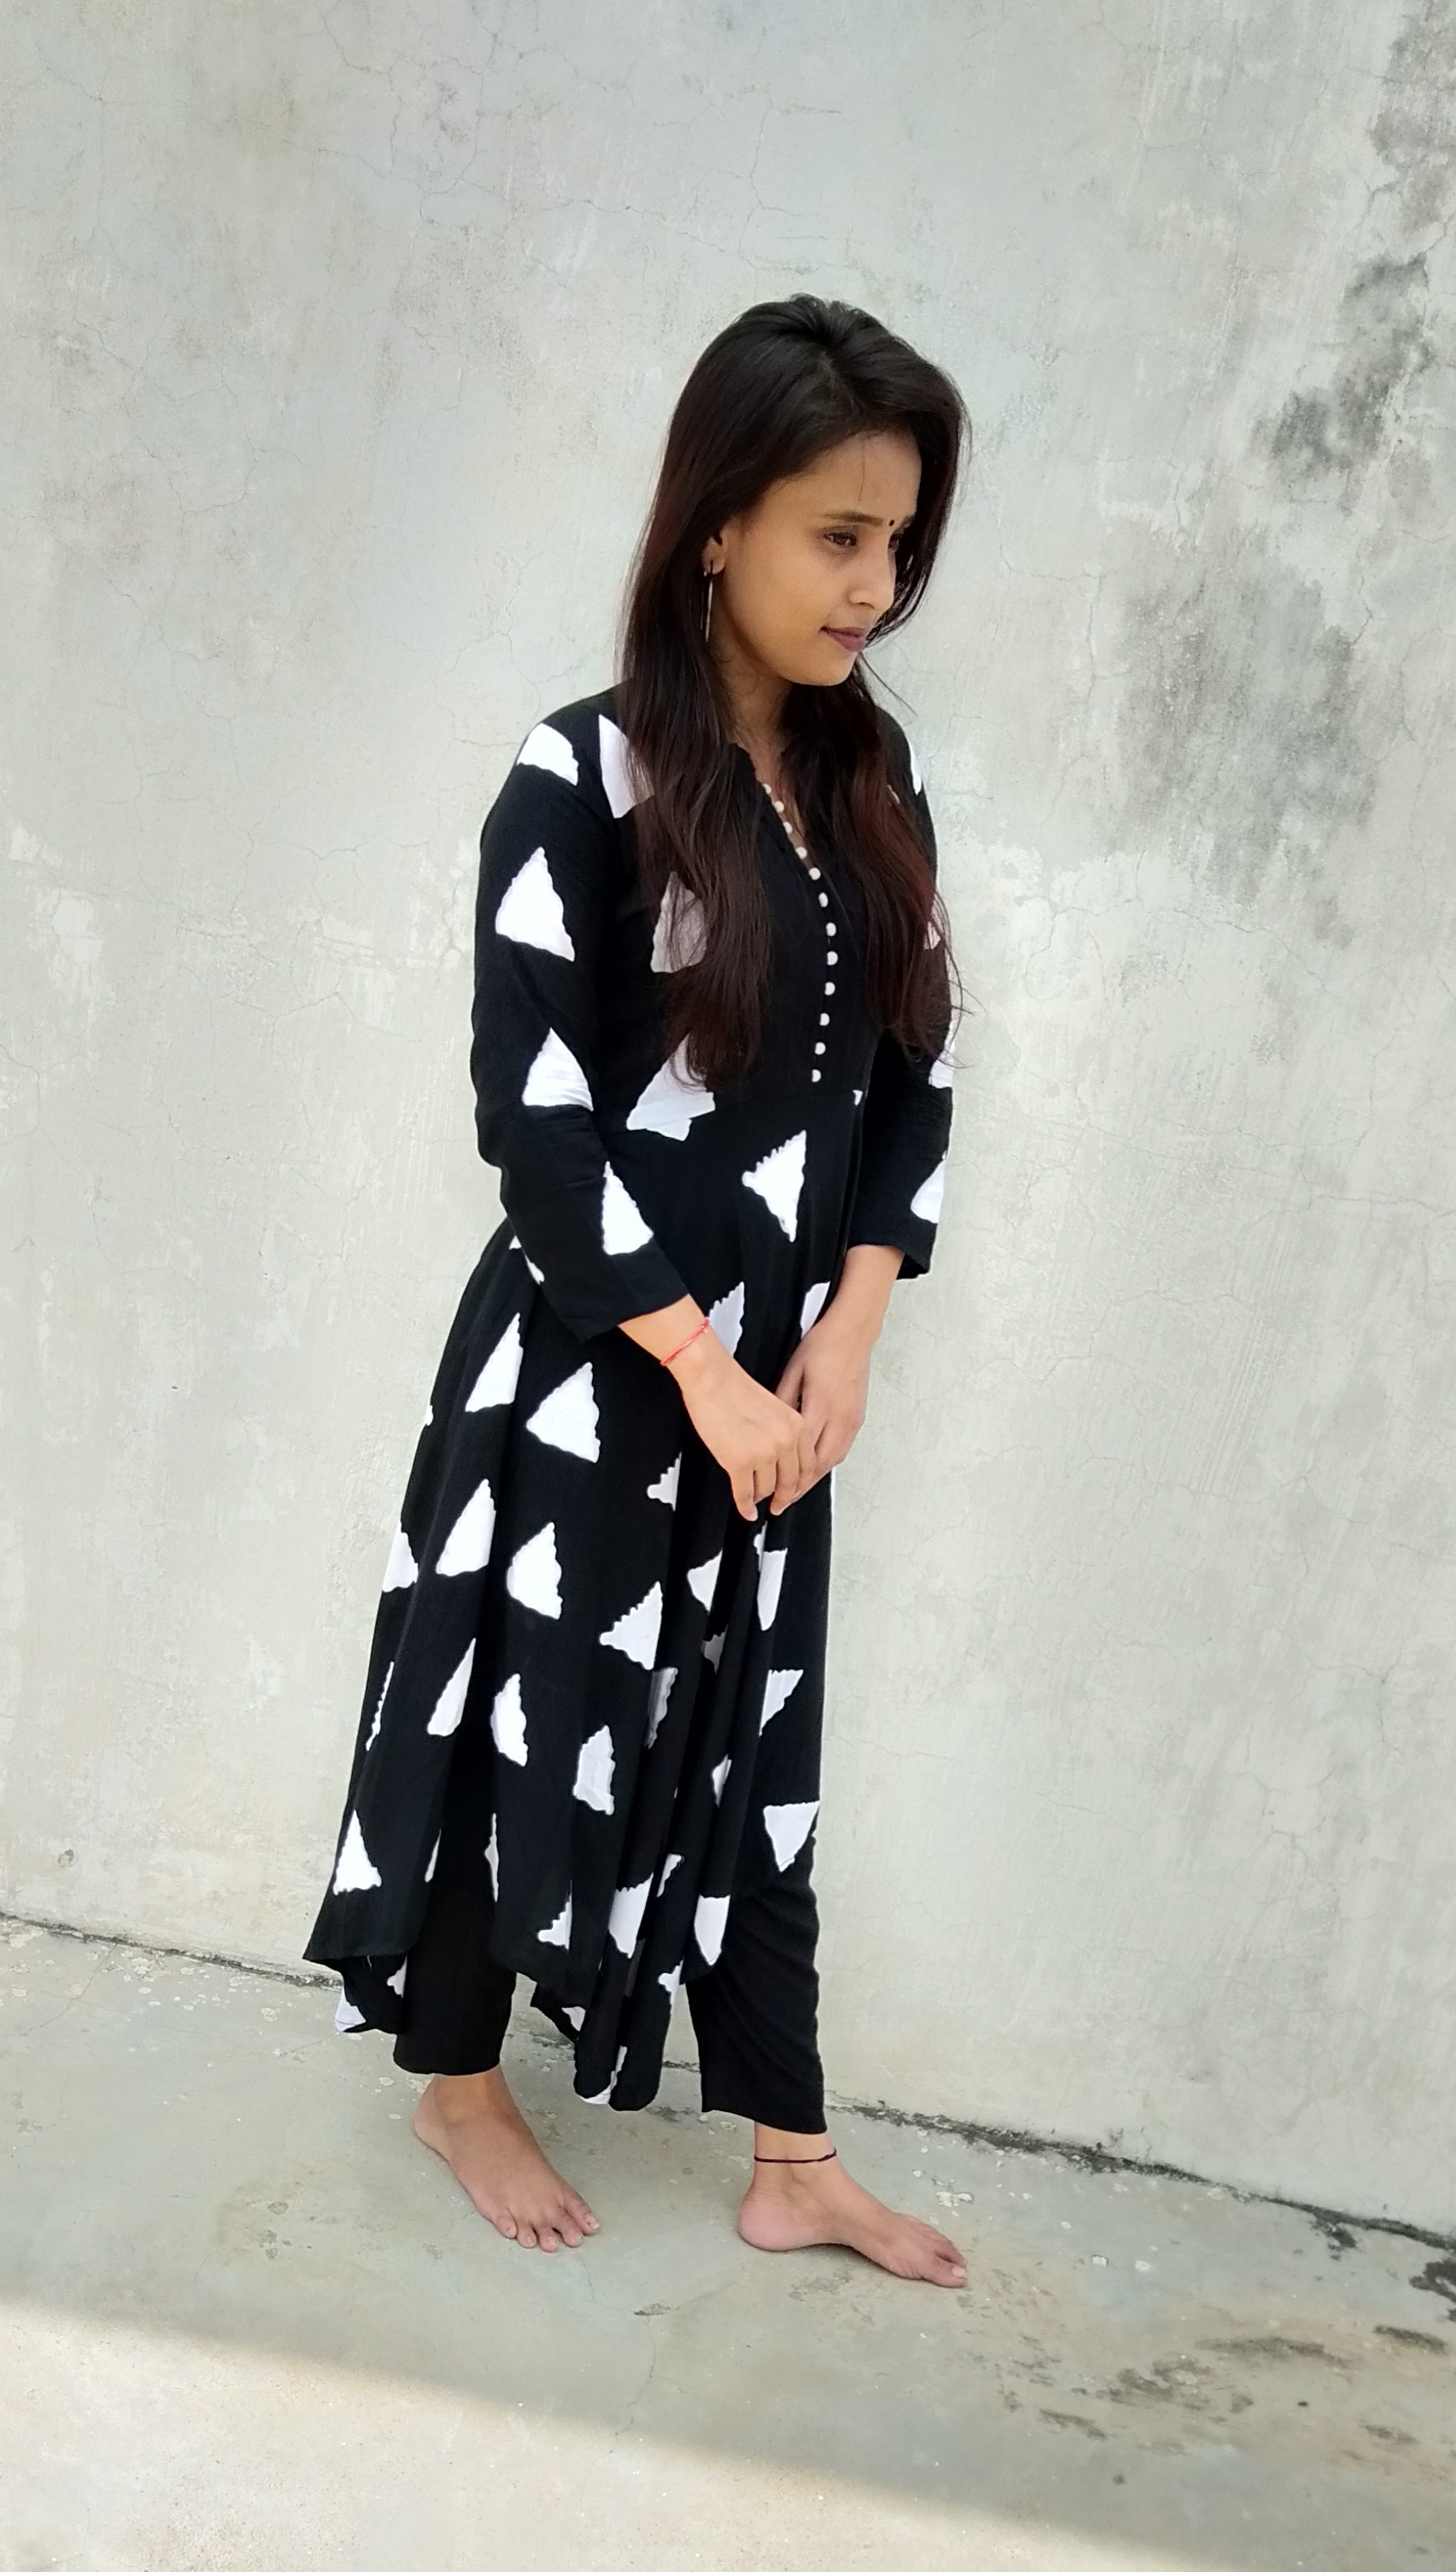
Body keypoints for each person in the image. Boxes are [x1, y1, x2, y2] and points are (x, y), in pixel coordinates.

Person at [305, 293, 967, 2289]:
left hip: (782, 1386)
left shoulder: (874, 781)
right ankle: (456, 2083)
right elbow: (532, 1116)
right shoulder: (579, 775)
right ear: (717, 523)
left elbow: (910, 1083)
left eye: (898, 541)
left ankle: (793, 2155)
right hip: (594, 1365)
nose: (874, 585)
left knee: (762, 1742)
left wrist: (846, 1332)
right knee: (526, 1719)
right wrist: (695, 1360)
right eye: (836, 536)